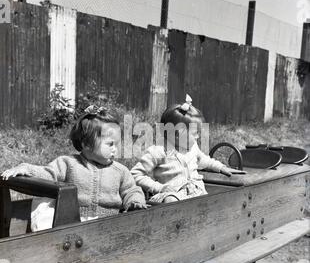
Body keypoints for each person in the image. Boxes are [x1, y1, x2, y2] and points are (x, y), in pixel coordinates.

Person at [1, 107, 146, 231]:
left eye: (117, 144)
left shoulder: (120, 171)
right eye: (110, 144)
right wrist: (27, 168)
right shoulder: (69, 163)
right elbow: (48, 174)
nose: (116, 149)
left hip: (109, 224)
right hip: (72, 223)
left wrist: (135, 202)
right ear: (86, 144)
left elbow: (131, 190)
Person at [131, 95, 245, 204]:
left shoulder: (192, 147)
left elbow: (203, 160)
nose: (198, 137)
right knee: (171, 200)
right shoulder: (157, 152)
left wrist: (221, 167)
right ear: (178, 134)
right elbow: (135, 175)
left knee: (213, 200)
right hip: (171, 194)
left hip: (196, 192)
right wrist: (159, 187)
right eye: (195, 133)